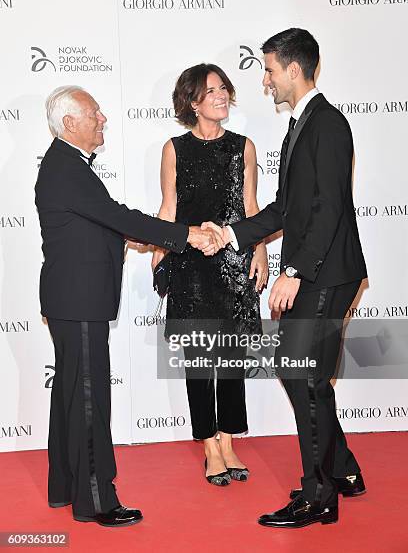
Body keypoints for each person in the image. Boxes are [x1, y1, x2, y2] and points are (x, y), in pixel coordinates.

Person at [35, 85, 223, 528]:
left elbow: (99, 219)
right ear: (69, 124)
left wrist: (129, 236)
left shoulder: (66, 165)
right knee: (87, 398)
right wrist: (186, 234)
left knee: (70, 393)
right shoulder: (66, 167)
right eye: (94, 113)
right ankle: (97, 499)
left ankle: (65, 486)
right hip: (78, 299)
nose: (103, 119)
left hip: (71, 297)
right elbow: (116, 215)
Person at [204, 28, 367, 526]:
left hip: (326, 271)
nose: (265, 79)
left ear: (294, 70)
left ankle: (319, 497)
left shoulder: (327, 124)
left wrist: (294, 269)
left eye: (269, 70)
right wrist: (230, 234)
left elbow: (329, 208)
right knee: (302, 372)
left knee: (302, 372)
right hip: (317, 269)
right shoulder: (301, 124)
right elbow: (286, 209)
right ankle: (341, 470)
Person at [151, 64, 268, 486]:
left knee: (232, 358)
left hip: (234, 264)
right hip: (191, 267)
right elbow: (168, 208)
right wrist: (162, 249)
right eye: (210, 90)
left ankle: (229, 438)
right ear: (192, 102)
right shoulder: (174, 149)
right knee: (200, 360)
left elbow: (251, 209)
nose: (220, 96)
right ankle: (209, 446)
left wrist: (262, 252)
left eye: (223, 88)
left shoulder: (243, 147)